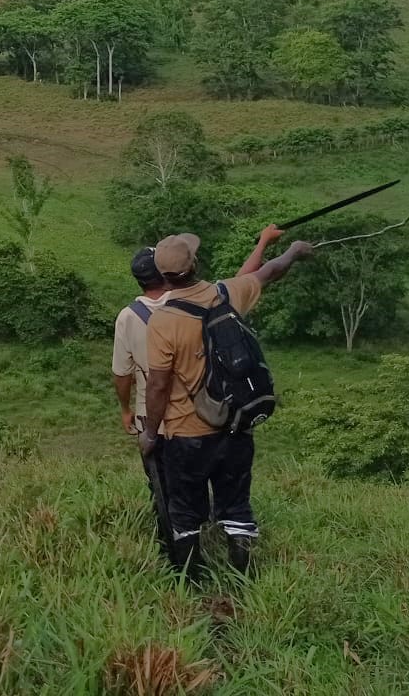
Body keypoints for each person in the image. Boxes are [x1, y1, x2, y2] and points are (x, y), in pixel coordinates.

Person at [137, 229, 312, 578]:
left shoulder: (162, 322)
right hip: (235, 424)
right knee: (236, 503)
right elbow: (270, 271)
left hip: (186, 435)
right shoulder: (226, 294)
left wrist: (150, 434)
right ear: (195, 264)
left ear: (162, 277)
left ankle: (191, 582)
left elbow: (157, 386)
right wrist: (294, 250)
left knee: (185, 512)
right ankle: (242, 577)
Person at [113, 226, 284, 555]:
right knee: (234, 498)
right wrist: (268, 242)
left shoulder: (135, 318)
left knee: (175, 499)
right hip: (229, 417)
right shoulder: (216, 296)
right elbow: (255, 276)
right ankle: (239, 564)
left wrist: (137, 421)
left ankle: (183, 567)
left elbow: (131, 377)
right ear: (190, 266)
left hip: (175, 427)